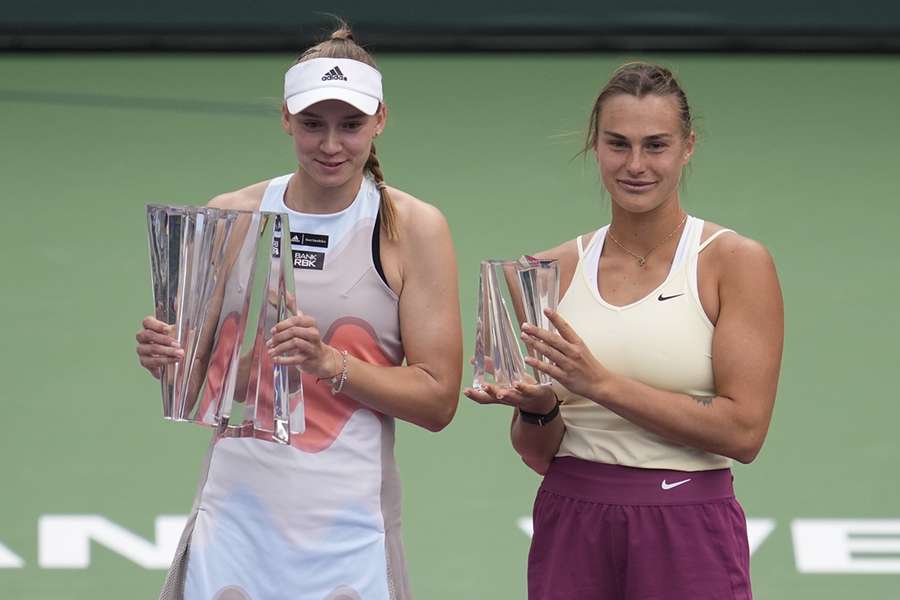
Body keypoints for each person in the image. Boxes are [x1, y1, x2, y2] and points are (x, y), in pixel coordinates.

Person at [136, 24, 462, 600]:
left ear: (380, 120)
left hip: (350, 527)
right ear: (286, 118)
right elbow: (196, 384)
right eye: (313, 124)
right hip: (234, 518)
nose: (331, 145)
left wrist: (327, 361)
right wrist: (166, 359)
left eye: (350, 125)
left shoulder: (414, 228)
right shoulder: (228, 216)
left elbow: (438, 401)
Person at [465, 62, 783, 599]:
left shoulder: (733, 263)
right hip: (572, 516)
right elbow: (540, 453)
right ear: (596, 147)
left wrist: (600, 385)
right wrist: (537, 408)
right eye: (618, 144)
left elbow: (743, 431)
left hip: (688, 521)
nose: (636, 165)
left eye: (656, 145)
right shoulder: (545, 272)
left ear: (688, 147)